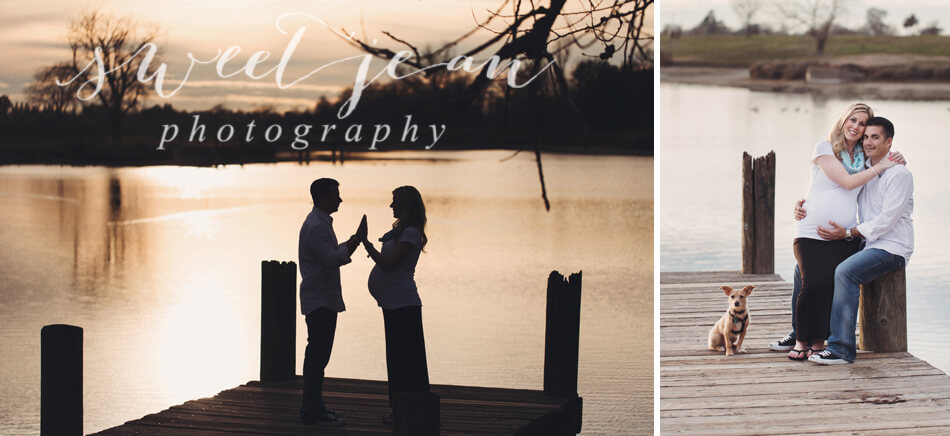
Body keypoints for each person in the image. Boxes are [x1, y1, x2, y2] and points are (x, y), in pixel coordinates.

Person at [775, 103, 902, 361]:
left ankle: (818, 342)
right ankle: (800, 338)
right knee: (813, 282)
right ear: (843, 121)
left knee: (824, 282)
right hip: (811, 232)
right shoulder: (825, 148)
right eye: (852, 120)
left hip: (842, 236)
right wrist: (801, 205)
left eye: (862, 124)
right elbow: (844, 182)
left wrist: (894, 160)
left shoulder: (863, 160)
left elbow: (883, 157)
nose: (856, 127)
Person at [806, 117, 914, 364]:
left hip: (892, 247)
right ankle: (801, 335)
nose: (868, 142)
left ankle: (841, 349)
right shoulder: (864, 169)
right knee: (807, 265)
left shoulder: (899, 174)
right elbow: (833, 189)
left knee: (845, 272)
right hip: (866, 242)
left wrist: (848, 233)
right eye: (866, 137)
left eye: (875, 137)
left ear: (889, 143)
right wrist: (804, 204)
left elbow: (886, 221)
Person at [298, 178, 365, 426]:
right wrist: (355, 244)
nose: (340, 199)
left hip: (322, 299)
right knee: (317, 358)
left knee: (318, 358)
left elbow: (329, 253)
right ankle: (311, 412)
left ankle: (315, 408)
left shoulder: (319, 222)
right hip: (320, 300)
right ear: (324, 198)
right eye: (336, 194)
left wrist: (349, 243)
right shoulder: (316, 226)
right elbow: (329, 260)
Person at [361, 186, 431, 419]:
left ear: (407, 205)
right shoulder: (401, 231)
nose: (391, 206)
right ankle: (402, 411)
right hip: (393, 303)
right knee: (398, 359)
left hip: (403, 304)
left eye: (395, 202)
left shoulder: (410, 232)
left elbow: (388, 263)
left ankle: (410, 412)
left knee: (406, 361)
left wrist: (366, 243)